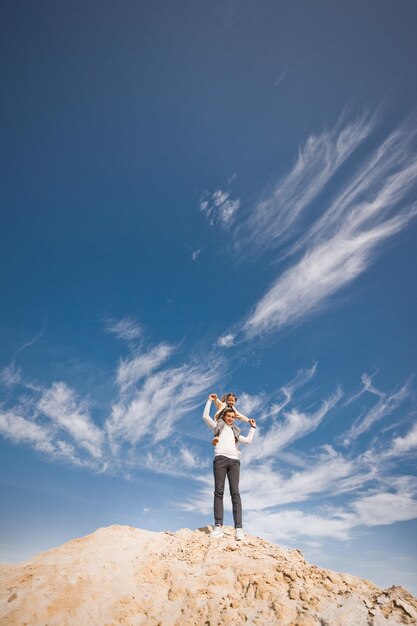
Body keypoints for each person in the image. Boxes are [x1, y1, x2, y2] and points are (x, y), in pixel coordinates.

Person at [202, 394, 256, 541]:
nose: (231, 418)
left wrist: (252, 427)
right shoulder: (217, 426)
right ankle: (218, 526)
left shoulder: (235, 432)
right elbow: (206, 417)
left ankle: (238, 528)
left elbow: (249, 441)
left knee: (235, 494)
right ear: (224, 416)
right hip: (220, 459)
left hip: (234, 461)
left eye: (233, 416)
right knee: (218, 492)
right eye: (229, 416)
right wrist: (209, 401)